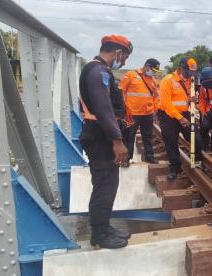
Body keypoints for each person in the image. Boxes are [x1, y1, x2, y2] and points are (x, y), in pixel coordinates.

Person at [79, 34, 133, 248]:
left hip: (102, 135)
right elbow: (103, 109)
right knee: (105, 184)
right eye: (125, 57)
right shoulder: (98, 71)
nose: (125, 61)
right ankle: (99, 234)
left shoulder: (99, 70)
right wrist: (117, 141)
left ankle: (103, 226)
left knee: (108, 183)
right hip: (101, 137)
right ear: (118, 52)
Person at [157, 57, 202, 180]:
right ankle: (175, 169)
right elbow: (167, 104)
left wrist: (191, 100)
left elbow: (185, 99)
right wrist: (180, 118)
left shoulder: (190, 80)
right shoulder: (167, 81)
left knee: (196, 137)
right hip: (168, 116)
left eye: (193, 72)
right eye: (189, 72)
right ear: (181, 68)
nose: (191, 75)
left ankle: (197, 161)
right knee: (171, 142)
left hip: (184, 113)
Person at [119, 58, 160, 164]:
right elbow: (121, 91)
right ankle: (126, 159)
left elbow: (155, 97)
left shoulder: (153, 81)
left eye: (155, 72)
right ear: (147, 66)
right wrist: (123, 109)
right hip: (132, 113)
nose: (154, 73)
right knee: (129, 136)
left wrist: (155, 111)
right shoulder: (131, 75)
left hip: (148, 114)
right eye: (153, 70)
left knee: (148, 136)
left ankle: (150, 158)